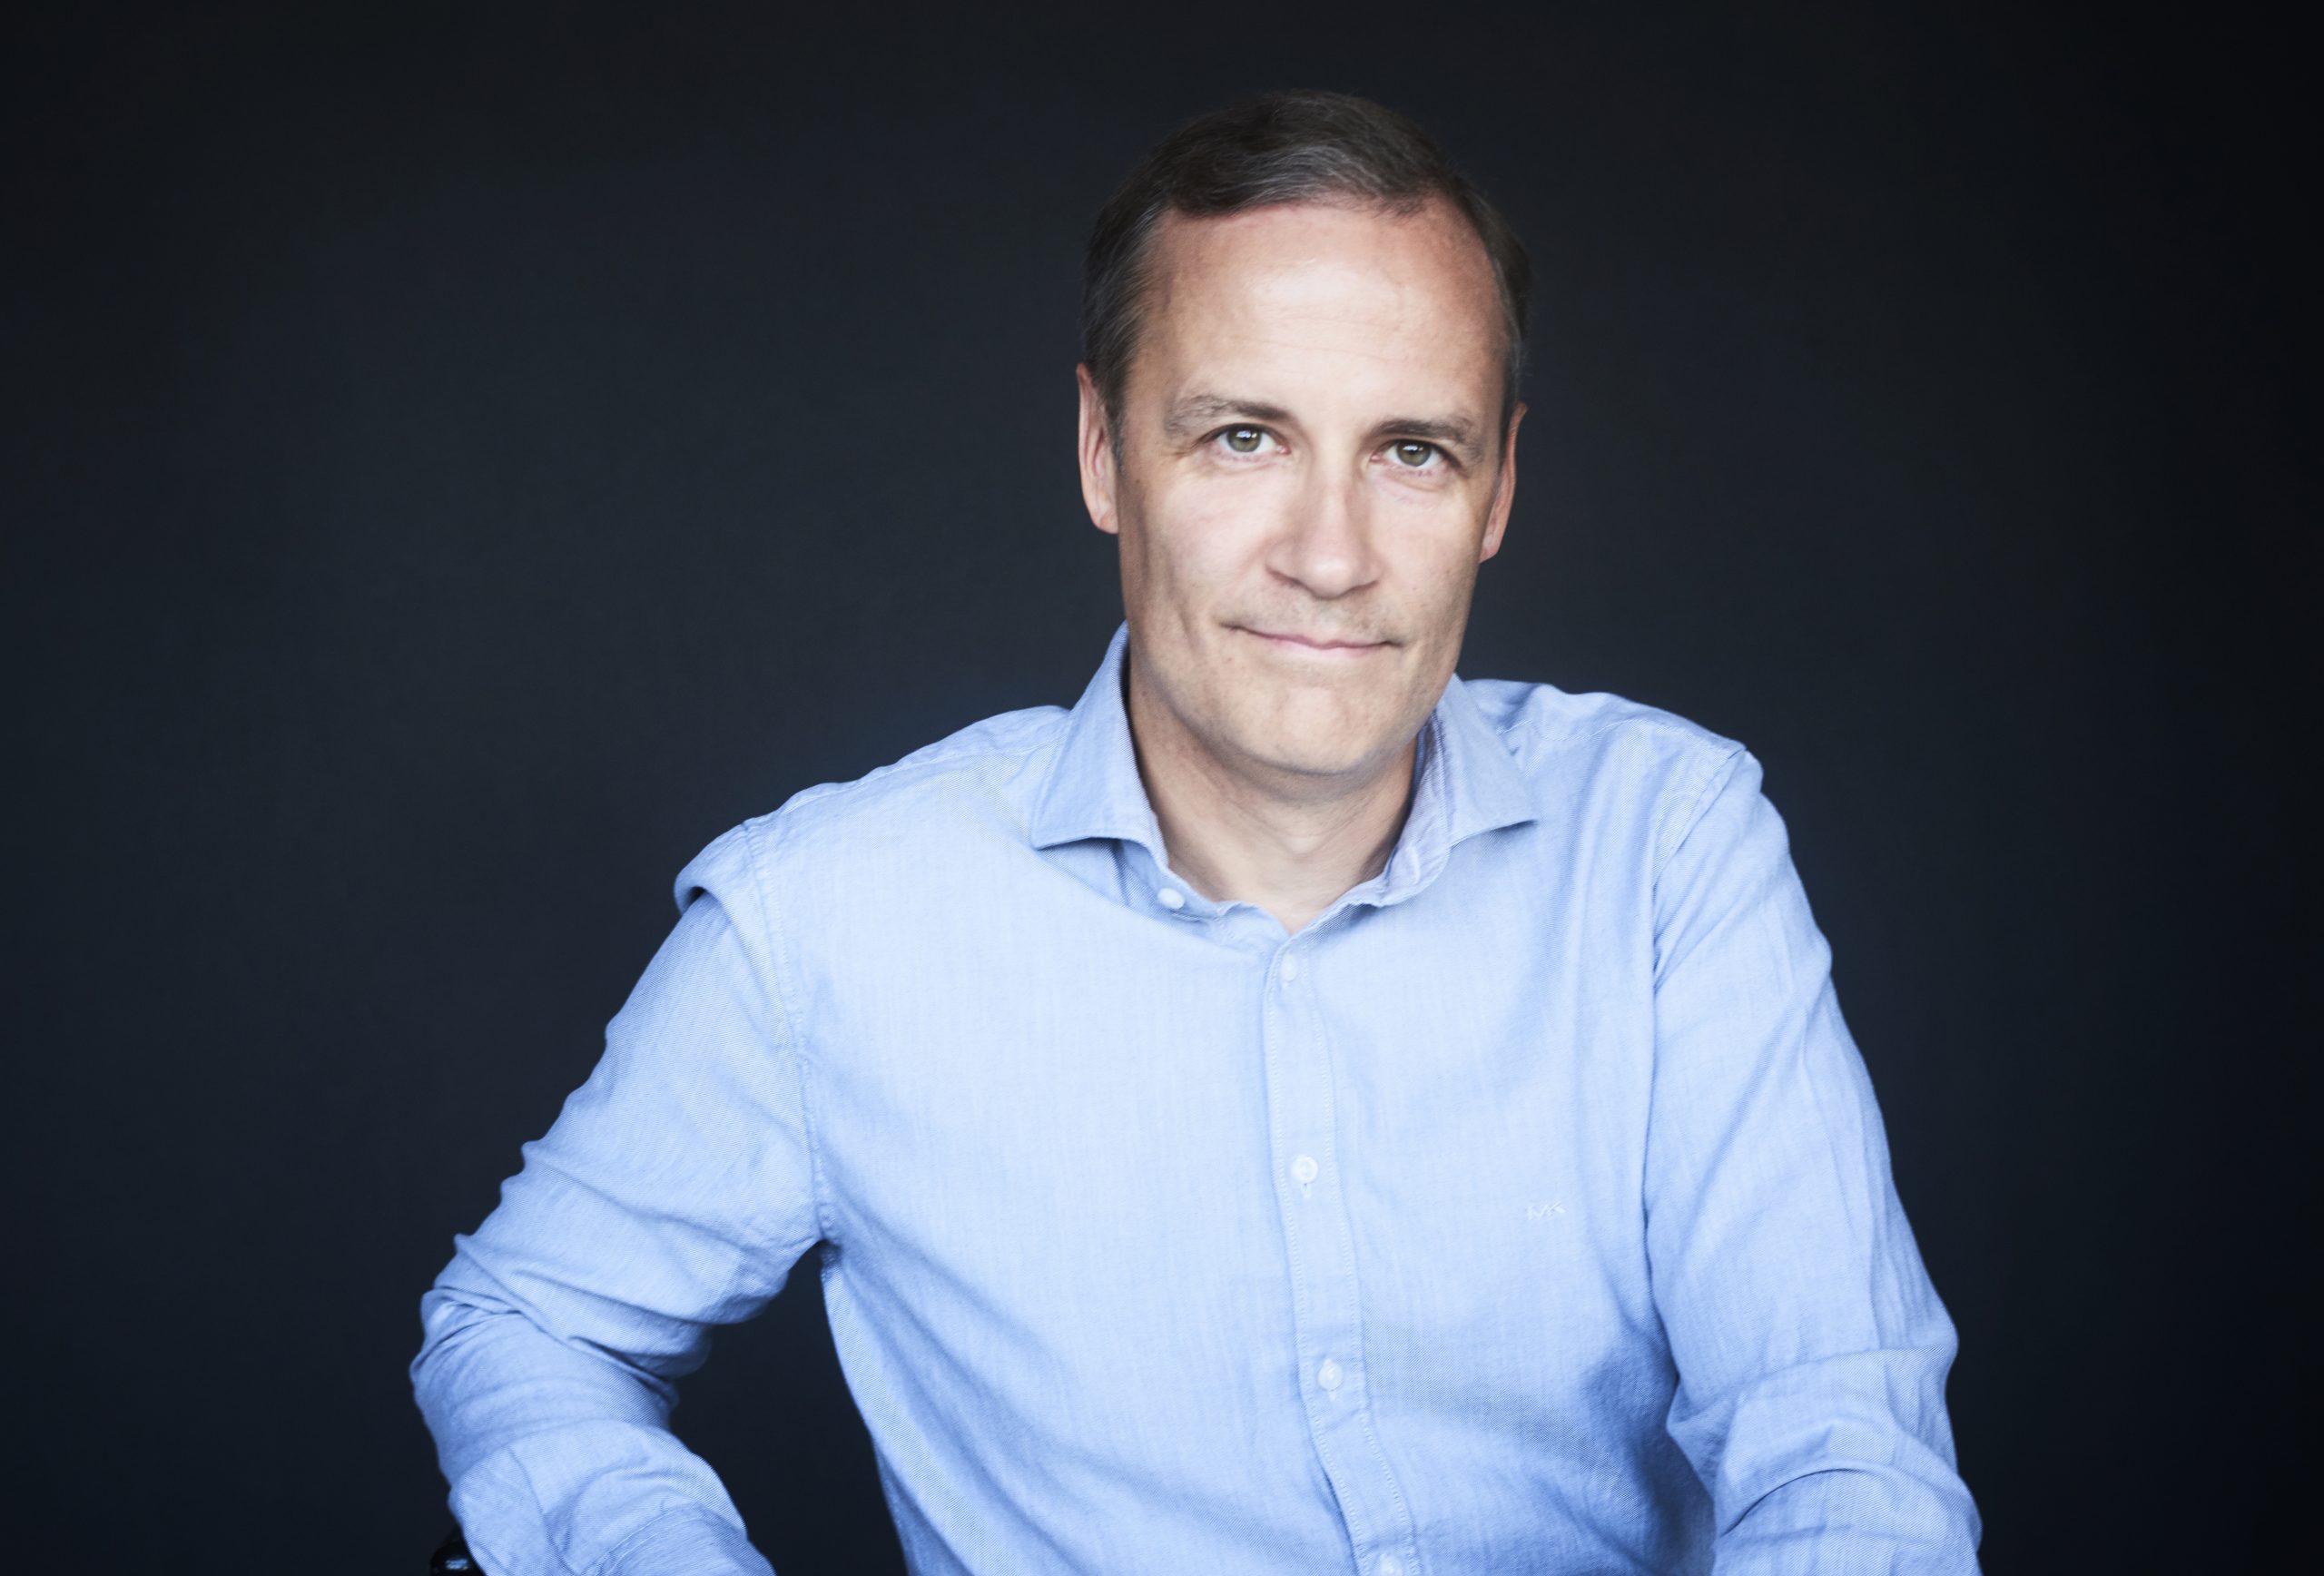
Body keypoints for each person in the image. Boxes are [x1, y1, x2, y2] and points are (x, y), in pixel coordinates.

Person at [411, 89, 1983, 1575]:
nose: (1330, 556)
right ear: (1105, 454)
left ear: (1498, 491)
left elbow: (1838, 1444)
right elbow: (525, 1326)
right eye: (1244, 437)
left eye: (1412, 451)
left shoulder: (1667, 848)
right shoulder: (827, 921)